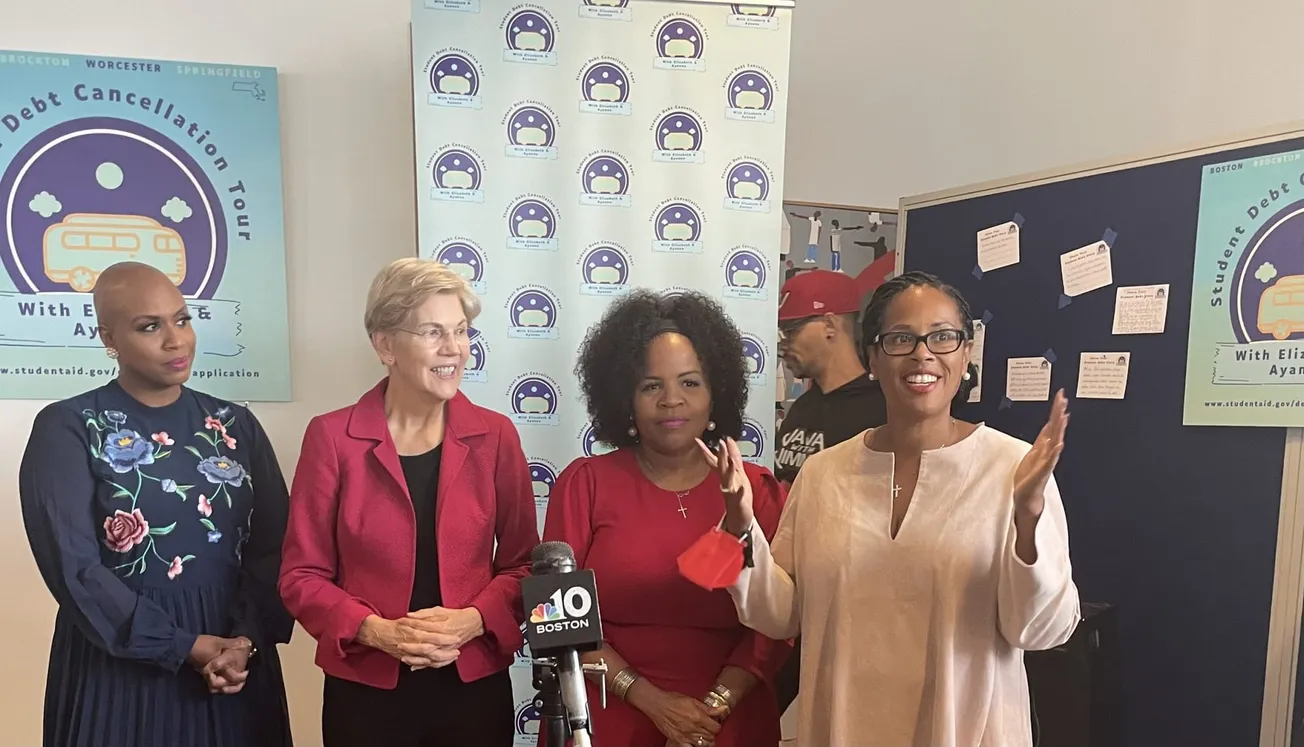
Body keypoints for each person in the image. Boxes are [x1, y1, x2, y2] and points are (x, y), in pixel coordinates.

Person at [704, 271, 1081, 747]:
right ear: (873, 359)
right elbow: (779, 615)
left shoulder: (1013, 468)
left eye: (943, 337)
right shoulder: (823, 474)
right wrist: (740, 528)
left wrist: (1027, 520)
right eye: (901, 338)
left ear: (965, 354)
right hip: (843, 726)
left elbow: (1042, 629)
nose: (923, 353)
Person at [18, 261, 295, 747]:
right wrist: (181, 646)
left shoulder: (235, 426)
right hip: (120, 667)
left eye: (182, 320)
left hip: (235, 663)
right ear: (109, 338)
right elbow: (75, 568)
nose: (176, 341)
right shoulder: (68, 428)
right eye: (150, 327)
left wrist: (246, 639)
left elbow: (276, 544)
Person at [279, 258, 538, 747]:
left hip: (472, 685)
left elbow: (526, 565)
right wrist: (377, 632)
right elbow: (301, 576)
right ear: (385, 345)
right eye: (432, 332)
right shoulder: (332, 437)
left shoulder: (497, 436)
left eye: (461, 332)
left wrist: (473, 620)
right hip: (367, 691)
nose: (454, 350)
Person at [542, 290, 790, 747]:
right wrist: (652, 701)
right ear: (625, 398)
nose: (671, 400)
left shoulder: (759, 491)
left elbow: (777, 627)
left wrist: (712, 709)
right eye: (651, 385)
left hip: (726, 726)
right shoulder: (584, 484)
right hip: (607, 717)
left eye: (690, 382)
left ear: (718, 393)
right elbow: (556, 621)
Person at [770, 269, 888, 728]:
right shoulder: (803, 406)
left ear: (832, 326)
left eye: (792, 328)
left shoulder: (880, 410)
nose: (783, 342)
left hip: (852, 612)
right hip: (792, 598)